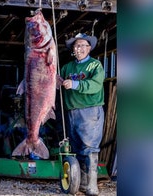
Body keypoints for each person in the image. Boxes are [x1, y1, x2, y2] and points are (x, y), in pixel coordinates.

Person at [60, 33, 105, 196]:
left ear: (89, 48)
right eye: (76, 46)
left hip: (90, 111)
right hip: (72, 111)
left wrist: (75, 83)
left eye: (82, 46)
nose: (78, 49)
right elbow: (59, 82)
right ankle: (80, 185)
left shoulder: (95, 66)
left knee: (89, 148)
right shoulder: (67, 67)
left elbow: (96, 85)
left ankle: (92, 186)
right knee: (77, 148)